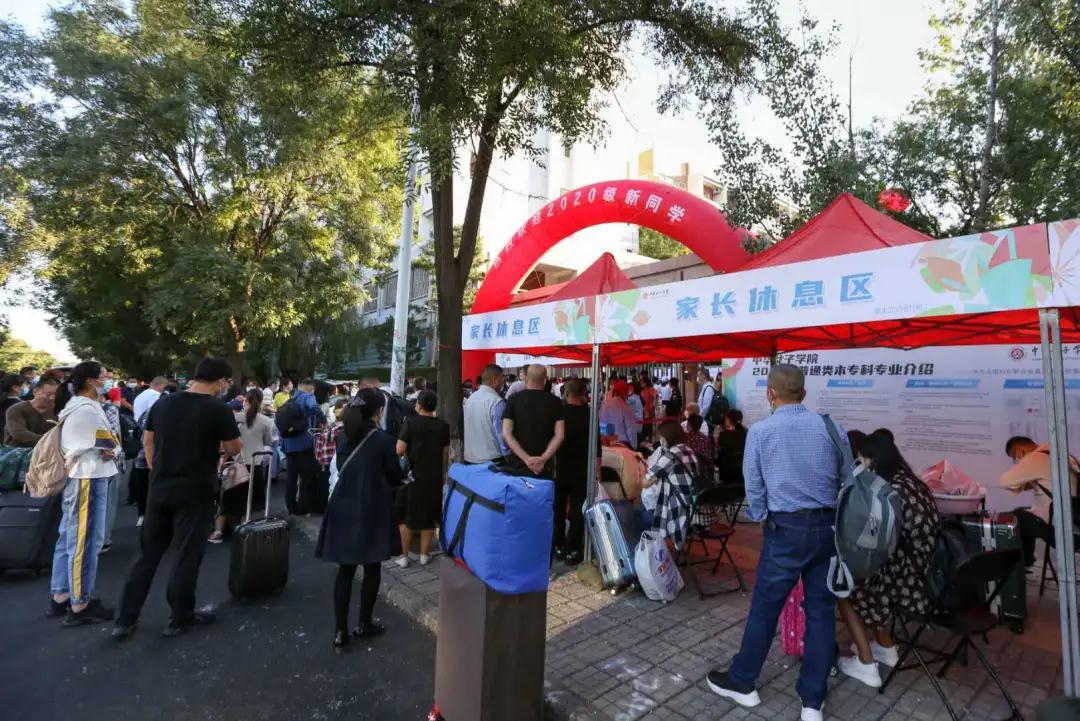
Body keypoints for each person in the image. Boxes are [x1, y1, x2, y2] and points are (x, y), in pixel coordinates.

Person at [706, 364, 847, 721]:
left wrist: (764, 518)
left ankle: (743, 681)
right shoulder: (831, 426)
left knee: (766, 608)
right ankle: (813, 701)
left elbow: (754, 487)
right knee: (821, 610)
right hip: (827, 528)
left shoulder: (761, 432)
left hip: (785, 529)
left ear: (770, 393)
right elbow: (845, 478)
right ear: (804, 392)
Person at [113, 357, 242, 640]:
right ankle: (180, 616)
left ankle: (125, 617)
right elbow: (234, 447)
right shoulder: (218, 409)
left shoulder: (164, 403)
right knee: (186, 553)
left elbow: (148, 441)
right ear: (221, 381)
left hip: (160, 486)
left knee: (147, 554)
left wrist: (156, 469)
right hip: (196, 489)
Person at [837, 432, 941, 688]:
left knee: (844, 586)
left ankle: (865, 663)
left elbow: (874, 544)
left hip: (909, 581)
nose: (860, 465)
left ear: (873, 460)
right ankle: (885, 646)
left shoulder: (889, 492)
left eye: (862, 459)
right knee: (869, 574)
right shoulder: (911, 482)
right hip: (926, 569)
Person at [316, 388, 404, 647]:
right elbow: (394, 475)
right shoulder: (383, 440)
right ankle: (364, 622)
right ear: (378, 411)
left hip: (342, 505)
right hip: (371, 507)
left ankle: (339, 631)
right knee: (372, 566)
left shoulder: (344, 435)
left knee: (345, 569)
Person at [47, 361, 119, 626]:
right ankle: (80, 604)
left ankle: (62, 595)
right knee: (85, 542)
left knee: (69, 537)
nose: (107, 380)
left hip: (80, 476)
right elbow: (109, 443)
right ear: (90, 380)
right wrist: (113, 448)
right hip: (89, 476)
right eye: (104, 376)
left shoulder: (75, 406)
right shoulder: (87, 409)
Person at [1000, 435, 1078, 567]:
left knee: (1012, 519)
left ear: (1020, 450)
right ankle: (1026, 562)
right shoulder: (1061, 455)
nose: (1016, 460)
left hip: (1057, 527)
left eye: (1014, 456)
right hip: (1074, 521)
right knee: (1022, 514)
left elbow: (1004, 481)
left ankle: (1020, 566)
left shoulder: (1034, 458)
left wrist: (1023, 470)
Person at [209, 388, 275, 543]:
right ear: (261, 402)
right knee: (249, 501)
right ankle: (243, 531)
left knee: (228, 499)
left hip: (235, 463)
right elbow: (268, 442)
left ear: (246, 400)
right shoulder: (266, 421)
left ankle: (217, 531)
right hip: (255, 463)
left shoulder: (234, 418)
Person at [394, 389, 449, 567]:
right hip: (433, 477)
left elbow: (400, 449)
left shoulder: (410, 423)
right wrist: (443, 474)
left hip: (412, 477)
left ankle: (403, 556)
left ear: (419, 405)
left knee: (406, 516)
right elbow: (445, 453)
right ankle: (425, 554)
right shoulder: (443, 426)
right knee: (429, 515)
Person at [554, 379, 599, 565]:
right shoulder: (590, 414)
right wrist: (597, 472)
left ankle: (557, 544)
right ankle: (573, 548)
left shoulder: (559, 412)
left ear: (566, 393)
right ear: (583, 394)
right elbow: (597, 446)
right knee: (578, 508)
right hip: (582, 467)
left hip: (560, 466)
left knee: (558, 506)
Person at [639, 421, 699, 544]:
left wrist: (642, 470)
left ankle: (649, 549)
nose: (660, 440)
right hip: (694, 506)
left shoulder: (670, 456)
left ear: (667, 437)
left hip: (678, 511)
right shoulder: (689, 450)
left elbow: (645, 482)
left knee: (638, 517)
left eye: (661, 437)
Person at [502, 365, 565, 478]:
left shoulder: (513, 400)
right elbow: (559, 435)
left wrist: (527, 459)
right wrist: (543, 459)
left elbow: (506, 434)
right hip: (545, 466)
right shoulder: (556, 402)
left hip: (518, 464)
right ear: (545, 380)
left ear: (526, 378)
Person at [281, 379, 326, 516]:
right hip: (304, 443)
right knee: (306, 476)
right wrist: (322, 419)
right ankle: (302, 508)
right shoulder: (308, 396)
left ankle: (290, 506)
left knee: (291, 477)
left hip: (289, 444)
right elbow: (314, 408)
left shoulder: (291, 399)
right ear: (311, 388)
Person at [130, 376, 167, 527]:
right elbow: (149, 439)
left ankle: (142, 515)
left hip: (142, 454)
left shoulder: (141, 397)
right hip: (154, 455)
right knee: (153, 487)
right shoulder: (156, 403)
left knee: (142, 486)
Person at [463, 364, 510, 465]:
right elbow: (502, 436)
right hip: (493, 461)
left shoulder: (471, 399)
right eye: (502, 379)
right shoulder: (497, 402)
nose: (503, 383)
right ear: (495, 380)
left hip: (470, 460)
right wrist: (509, 456)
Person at [99, 386, 126, 554]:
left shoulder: (108, 409)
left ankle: (101, 539)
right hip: (104, 461)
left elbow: (112, 433)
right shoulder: (108, 409)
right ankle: (101, 539)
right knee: (106, 503)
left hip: (106, 461)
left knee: (104, 503)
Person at [3, 377, 60, 447]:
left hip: (46, 450)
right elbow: (19, 433)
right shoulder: (16, 409)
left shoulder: (58, 410)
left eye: (56, 394)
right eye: (48, 394)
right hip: (18, 450)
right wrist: (49, 441)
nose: (52, 398)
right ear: (35, 392)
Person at [600, 380, 638, 449]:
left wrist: (610, 442)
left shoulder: (604, 407)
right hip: (623, 445)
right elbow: (631, 430)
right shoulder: (625, 407)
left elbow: (604, 429)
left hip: (608, 445)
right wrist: (634, 446)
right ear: (624, 393)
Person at [715, 409, 748, 487]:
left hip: (727, 472)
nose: (725, 420)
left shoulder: (724, 435)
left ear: (730, 420)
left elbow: (720, 452)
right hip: (743, 470)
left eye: (726, 418)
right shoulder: (746, 432)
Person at [683, 414, 715, 489]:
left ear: (689, 425)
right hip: (705, 473)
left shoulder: (685, 439)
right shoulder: (705, 438)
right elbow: (710, 457)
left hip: (689, 472)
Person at [0, 373, 26, 440]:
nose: (25, 387)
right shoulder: (22, 405)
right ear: (15, 387)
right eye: (24, 385)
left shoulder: (3, 401)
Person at [640, 377, 657, 444]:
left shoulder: (651, 389)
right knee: (644, 426)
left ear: (646, 383)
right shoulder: (642, 390)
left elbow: (655, 397)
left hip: (649, 411)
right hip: (643, 411)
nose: (641, 384)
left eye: (642, 383)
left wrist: (653, 406)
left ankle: (650, 440)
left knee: (649, 426)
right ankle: (645, 440)